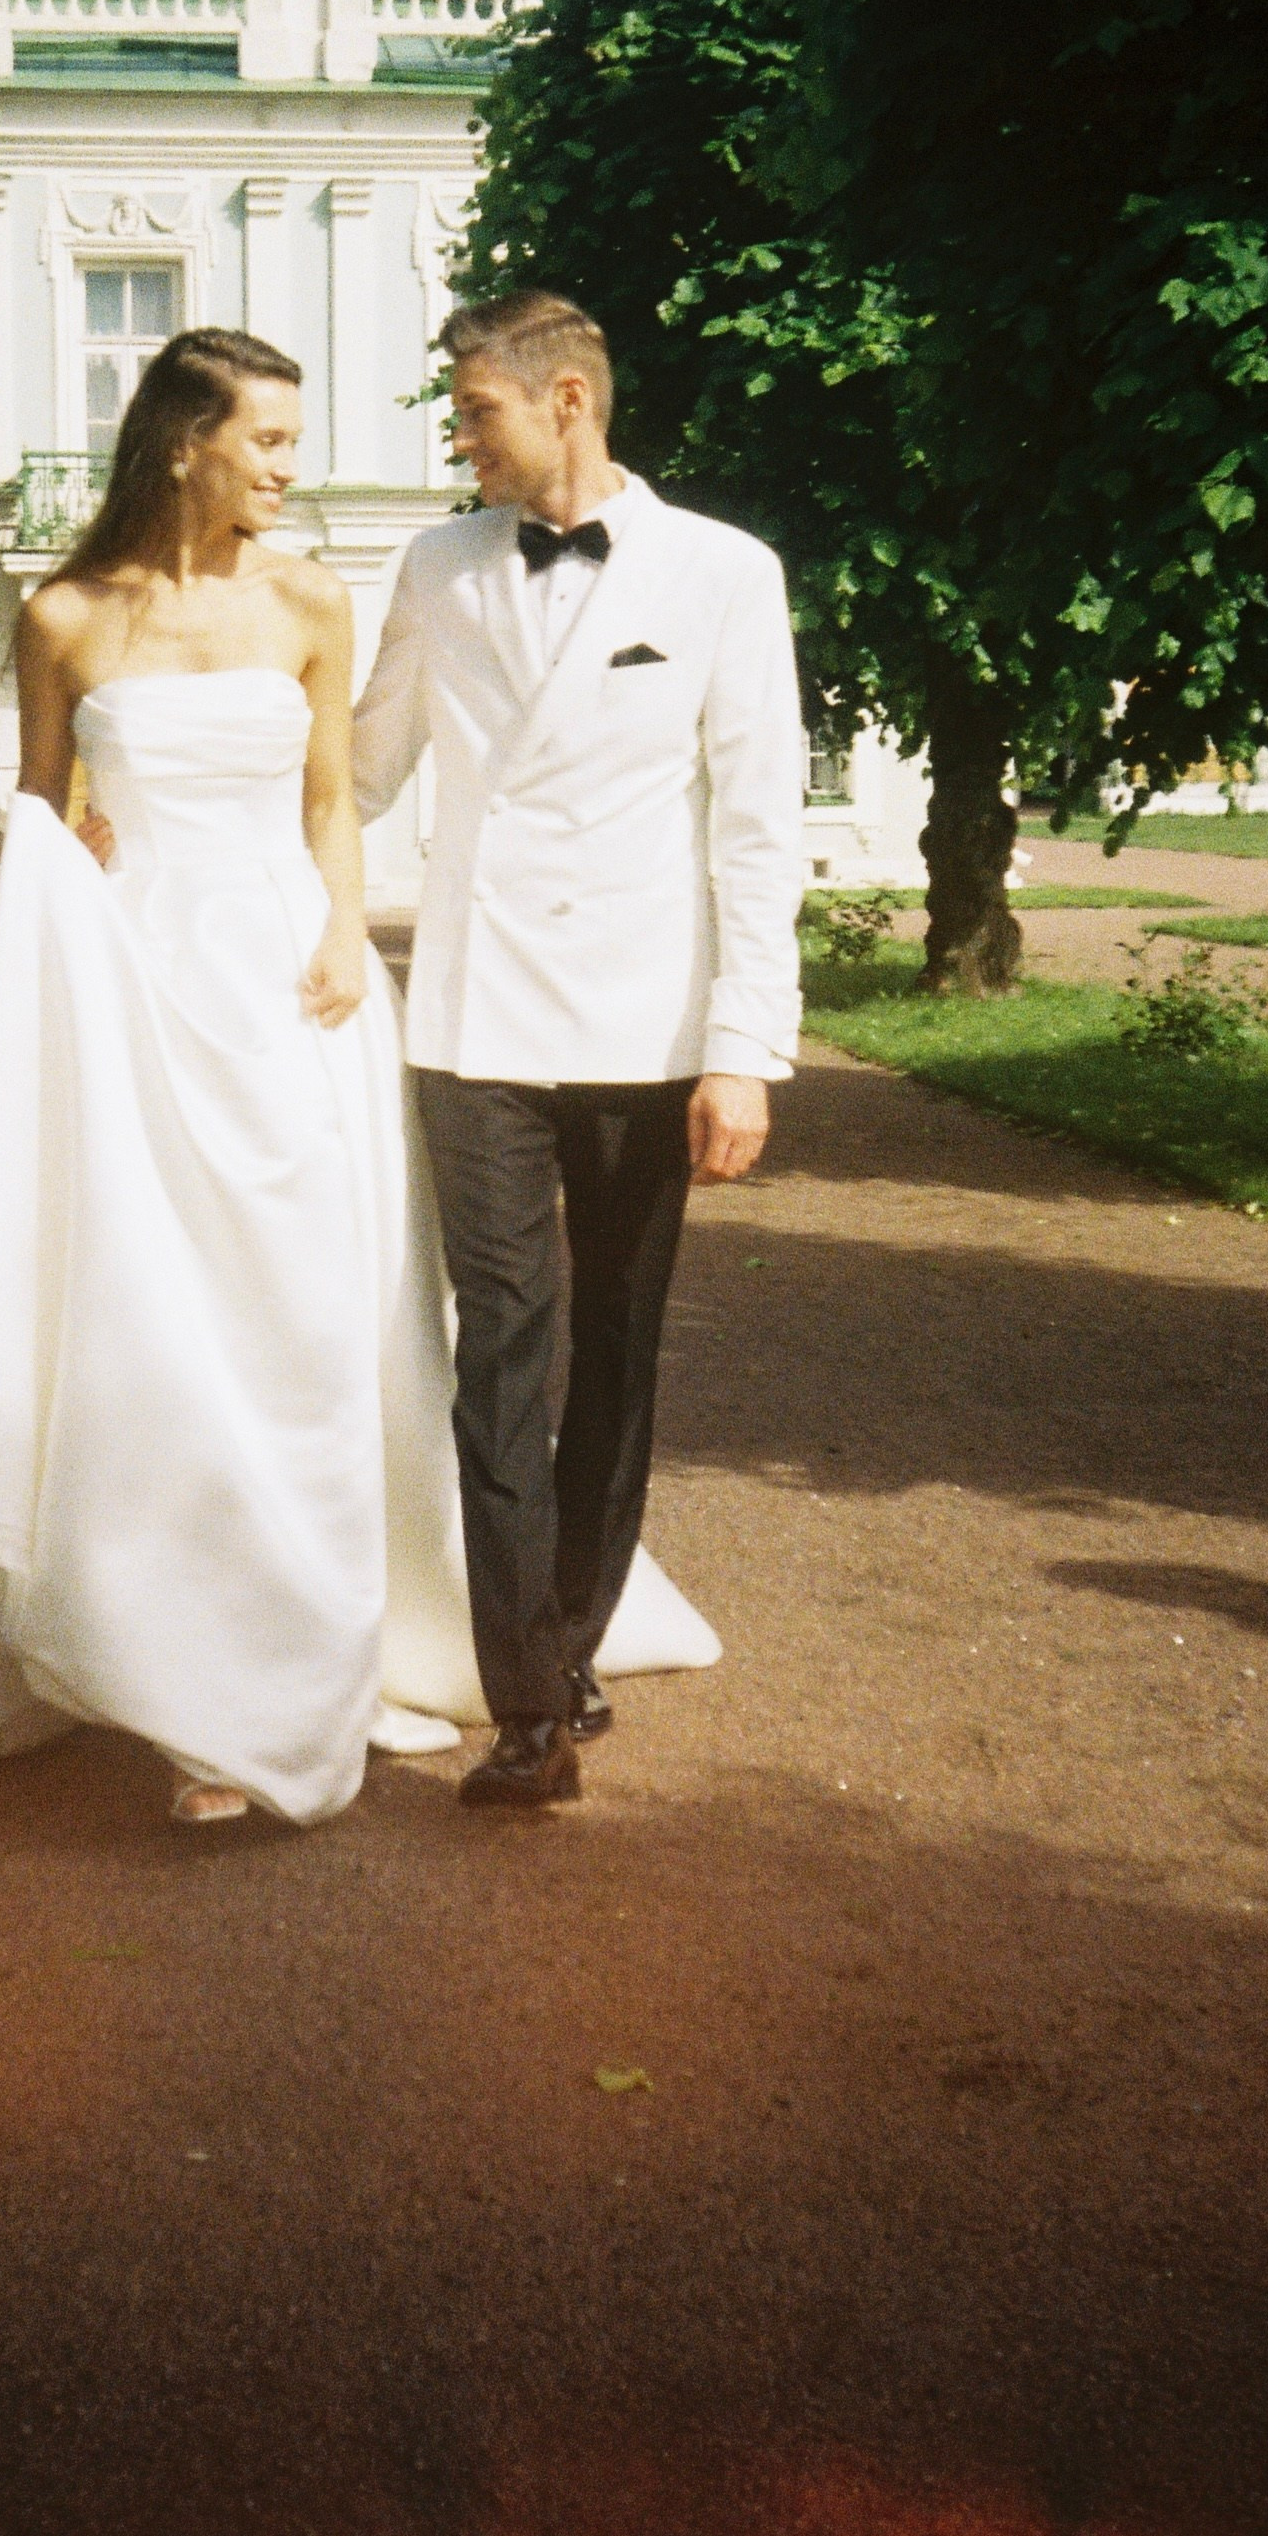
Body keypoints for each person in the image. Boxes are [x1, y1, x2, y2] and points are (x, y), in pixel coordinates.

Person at [0, 325, 715, 1828]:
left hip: (291, 990)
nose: (290, 467)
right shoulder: (67, 615)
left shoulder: (310, 598)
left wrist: (345, 931)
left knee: (301, 1324)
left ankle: (297, 1653)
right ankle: (161, 1647)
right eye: (268, 441)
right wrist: (41, 861)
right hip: (131, 993)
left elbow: (336, 802)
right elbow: (32, 806)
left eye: (290, 441)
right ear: (181, 445)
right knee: (147, 1320)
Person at [352, 288, 807, 1809]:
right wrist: (156, 809)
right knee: (501, 1341)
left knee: (615, 1346)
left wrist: (743, 1045)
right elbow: (356, 771)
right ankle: (529, 1701)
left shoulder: (726, 575)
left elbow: (757, 827)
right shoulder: (437, 566)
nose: (457, 436)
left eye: (475, 409)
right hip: (477, 1016)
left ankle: (573, 1629)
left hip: (647, 1021)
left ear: (565, 402)